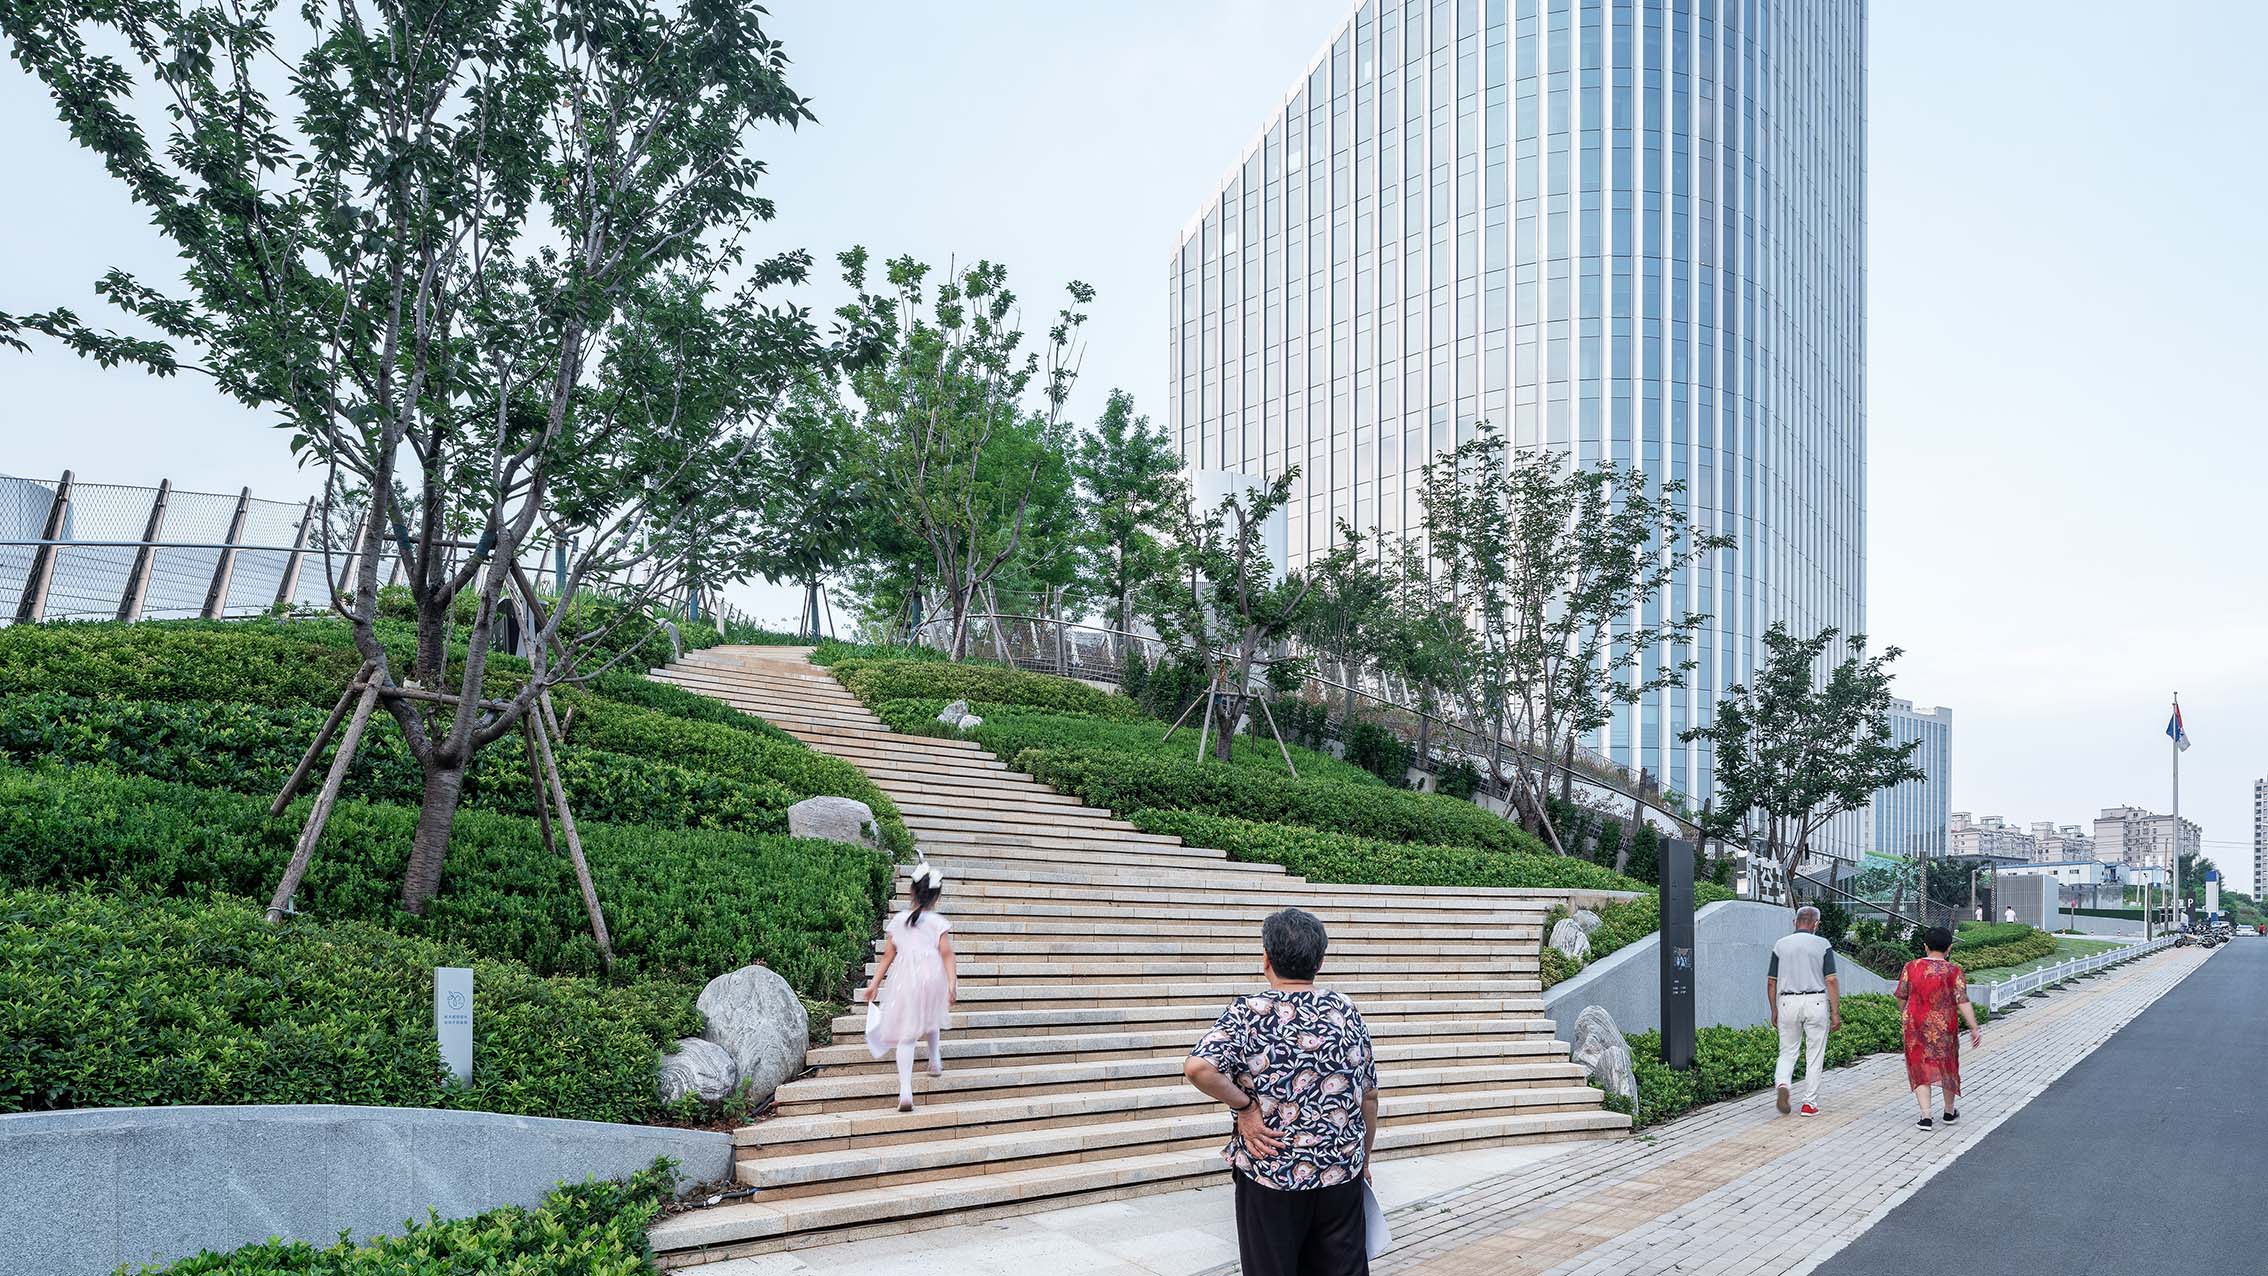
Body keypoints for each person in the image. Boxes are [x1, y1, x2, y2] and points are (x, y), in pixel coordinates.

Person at [1184, 908, 1380, 1276]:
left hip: (1271, 1171)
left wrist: (1245, 1107)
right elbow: (1368, 1096)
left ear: (1266, 960)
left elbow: (1199, 1068)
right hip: (1340, 1170)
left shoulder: (1248, 1013)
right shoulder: (1345, 1010)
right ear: (1319, 962)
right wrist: (1363, 1161)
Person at [859, 863, 956, 1112]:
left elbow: (887, 956)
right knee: (930, 1015)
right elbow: (946, 954)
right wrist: (951, 983)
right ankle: (935, 1060)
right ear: (936, 897)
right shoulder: (937, 922)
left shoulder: (899, 920)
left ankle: (905, 1090)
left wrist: (874, 984)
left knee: (907, 1035)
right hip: (932, 977)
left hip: (905, 980)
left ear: (911, 891)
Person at [1896, 926, 1981, 1131]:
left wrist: (1905, 1012)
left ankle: (1925, 1116)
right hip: (1944, 1026)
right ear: (1949, 948)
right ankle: (1949, 1111)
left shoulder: (1911, 967)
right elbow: (1962, 1001)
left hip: (1916, 1024)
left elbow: (1901, 995)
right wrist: (1974, 1027)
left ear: (1925, 946)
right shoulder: (1954, 971)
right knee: (1947, 1065)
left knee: (1919, 1064)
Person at [1766, 905, 1842, 1117]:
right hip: (1815, 1001)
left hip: (1787, 1002)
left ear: (1795, 922)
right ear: (1816, 924)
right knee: (1814, 1054)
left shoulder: (1780, 945)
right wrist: (1835, 1012)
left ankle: (1783, 1083)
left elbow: (1771, 981)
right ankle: (1809, 1104)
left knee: (1787, 1051)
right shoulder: (1822, 944)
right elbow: (1831, 980)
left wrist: (1774, 1009)